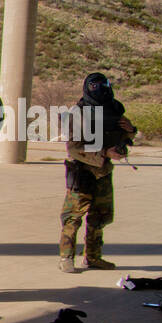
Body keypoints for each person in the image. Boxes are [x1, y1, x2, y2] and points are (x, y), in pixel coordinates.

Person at [59, 72, 134, 273]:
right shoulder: (78, 113)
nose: (101, 90)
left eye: (104, 85)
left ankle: (93, 257)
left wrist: (130, 131)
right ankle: (66, 258)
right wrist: (103, 153)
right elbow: (73, 148)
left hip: (103, 172)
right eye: (96, 86)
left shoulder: (114, 110)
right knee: (73, 218)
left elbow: (122, 134)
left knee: (99, 217)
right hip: (82, 172)